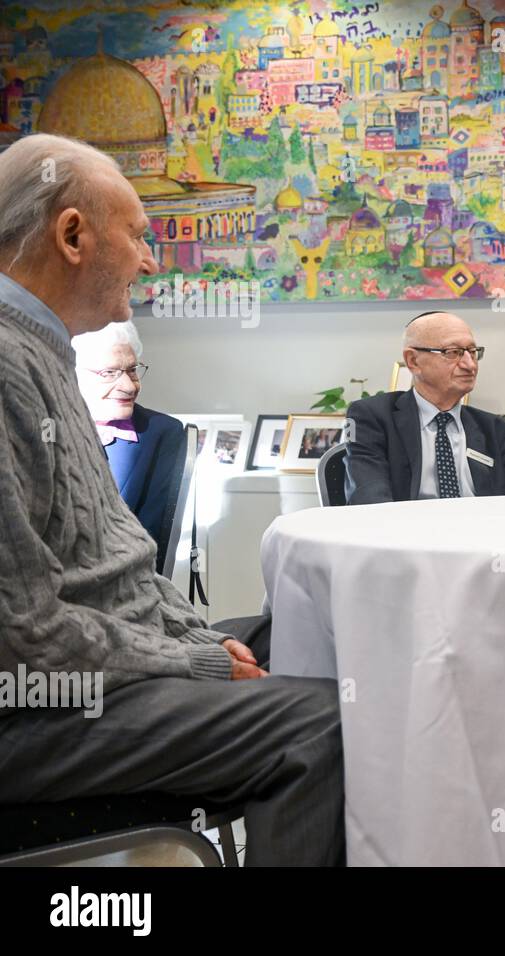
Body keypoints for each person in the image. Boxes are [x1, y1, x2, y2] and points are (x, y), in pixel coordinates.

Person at [0, 133, 344, 866]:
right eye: (138, 236)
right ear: (71, 235)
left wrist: (194, 643)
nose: (151, 260)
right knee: (324, 726)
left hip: (96, 671)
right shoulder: (9, 364)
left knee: (325, 633)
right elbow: (25, 638)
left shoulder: (43, 349)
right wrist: (192, 663)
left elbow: (118, 557)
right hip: (37, 711)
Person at [345, 310, 505, 503]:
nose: (470, 365)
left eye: (473, 352)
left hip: (481, 530)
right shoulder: (372, 417)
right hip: (407, 531)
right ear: (413, 361)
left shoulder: (495, 429)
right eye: (453, 353)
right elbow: (370, 497)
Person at [71, 320, 185, 574]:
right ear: (69, 373)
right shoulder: (38, 423)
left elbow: (150, 539)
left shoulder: (160, 433)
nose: (129, 386)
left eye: (132, 370)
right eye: (109, 373)